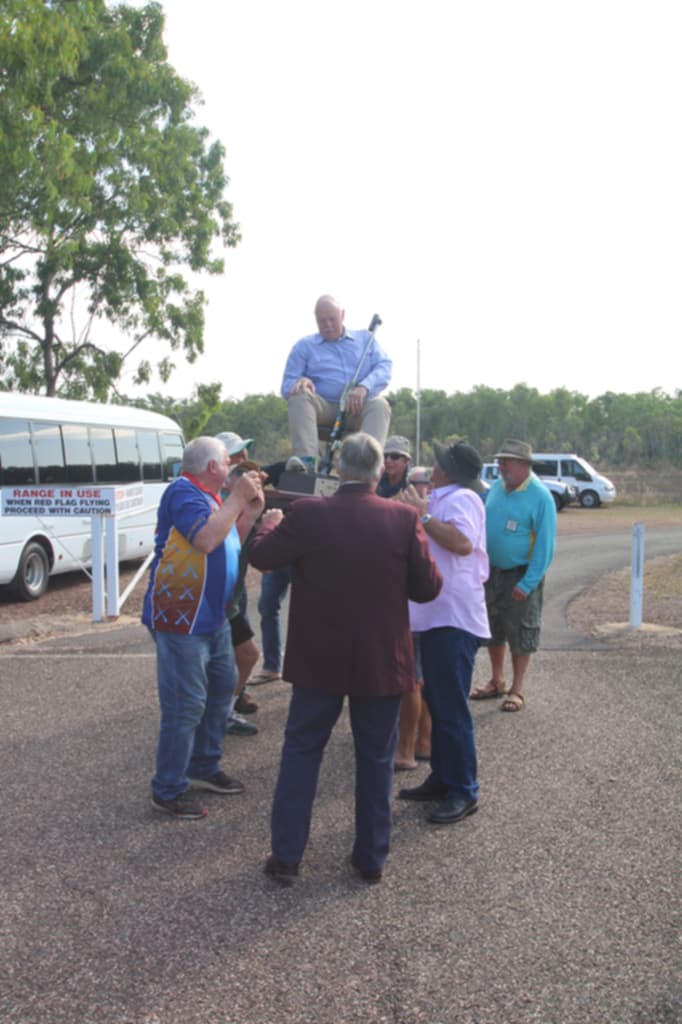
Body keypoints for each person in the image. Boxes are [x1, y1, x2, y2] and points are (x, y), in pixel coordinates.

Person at [248, 432, 442, 884]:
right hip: (380, 658)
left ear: (338, 470)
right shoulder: (402, 518)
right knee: (375, 759)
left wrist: (269, 524)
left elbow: (262, 557)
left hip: (318, 659)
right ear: (378, 471)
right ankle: (371, 858)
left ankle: (287, 856)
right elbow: (428, 588)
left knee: (302, 752)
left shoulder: (308, 513)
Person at [143, 436, 264, 819]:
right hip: (182, 618)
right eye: (228, 462)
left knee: (220, 689)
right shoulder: (184, 492)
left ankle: (204, 766)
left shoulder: (211, 498)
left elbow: (229, 541)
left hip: (211, 616)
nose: (232, 469)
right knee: (186, 704)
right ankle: (167, 788)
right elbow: (207, 540)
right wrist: (237, 498)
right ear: (212, 467)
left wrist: (249, 513)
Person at [398, 441, 490, 825]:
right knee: (438, 704)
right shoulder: (443, 497)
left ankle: (464, 790)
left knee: (450, 709)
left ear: (449, 470)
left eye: (438, 462)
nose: (432, 466)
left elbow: (463, 543)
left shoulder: (463, 498)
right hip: (437, 618)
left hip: (452, 619)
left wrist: (422, 516)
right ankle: (443, 778)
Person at [471, 438, 556, 712]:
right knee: (493, 630)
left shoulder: (540, 497)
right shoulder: (496, 488)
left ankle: (517, 689)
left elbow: (545, 546)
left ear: (522, 464)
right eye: (500, 461)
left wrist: (528, 582)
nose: (500, 466)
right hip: (492, 573)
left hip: (520, 575)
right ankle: (497, 680)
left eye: (505, 462)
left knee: (521, 632)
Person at [281, 295, 392, 469]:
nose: (328, 324)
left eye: (332, 319)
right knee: (299, 396)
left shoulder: (366, 339)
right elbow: (287, 385)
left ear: (343, 315)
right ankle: (306, 465)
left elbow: (384, 367)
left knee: (380, 404)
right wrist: (300, 381)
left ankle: (367, 468)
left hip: (356, 407)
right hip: (322, 407)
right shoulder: (304, 346)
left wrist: (364, 387)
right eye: (322, 321)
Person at [394, 466, 433, 771]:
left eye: (415, 483)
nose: (409, 488)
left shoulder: (430, 516)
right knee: (416, 677)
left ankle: (413, 745)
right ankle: (419, 741)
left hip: (424, 608)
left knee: (415, 679)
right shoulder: (404, 512)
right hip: (411, 608)